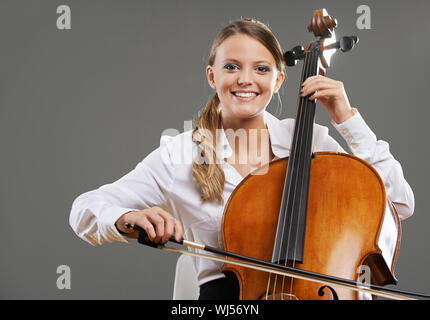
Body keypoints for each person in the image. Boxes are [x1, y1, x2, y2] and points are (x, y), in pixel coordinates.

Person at [69, 18, 415, 300]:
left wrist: (347, 119)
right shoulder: (181, 153)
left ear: (279, 80)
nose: (245, 80)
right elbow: (86, 209)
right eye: (232, 66)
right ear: (212, 76)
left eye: (261, 69)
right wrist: (128, 216)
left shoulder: (312, 143)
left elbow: (398, 203)